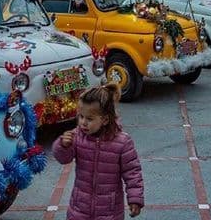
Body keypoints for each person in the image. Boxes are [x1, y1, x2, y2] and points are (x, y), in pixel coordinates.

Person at [53, 84, 144, 219]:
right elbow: (63, 158)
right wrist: (63, 145)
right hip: (79, 208)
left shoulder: (122, 142)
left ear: (105, 119)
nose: (83, 122)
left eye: (89, 119)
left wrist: (135, 198)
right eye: (81, 116)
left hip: (109, 212)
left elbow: (132, 172)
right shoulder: (77, 136)